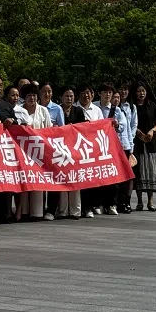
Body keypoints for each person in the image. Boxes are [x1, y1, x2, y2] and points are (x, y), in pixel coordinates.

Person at [14, 84, 52, 221]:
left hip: (39, 149)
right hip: (22, 150)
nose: (32, 98)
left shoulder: (43, 111)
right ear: (24, 97)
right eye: (29, 95)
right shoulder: (17, 110)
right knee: (24, 179)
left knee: (38, 179)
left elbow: (49, 130)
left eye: (34, 95)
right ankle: (23, 211)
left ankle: (37, 212)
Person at [133, 83, 156, 211]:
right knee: (139, 172)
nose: (141, 93)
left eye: (143, 91)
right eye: (139, 91)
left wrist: (152, 131)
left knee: (150, 172)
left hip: (151, 144)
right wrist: (138, 133)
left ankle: (150, 202)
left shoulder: (152, 105)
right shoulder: (132, 107)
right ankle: (140, 201)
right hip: (137, 143)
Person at [55, 85, 86, 220]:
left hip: (74, 149)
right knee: (61, 178)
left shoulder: (78, 111)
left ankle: (75, 210)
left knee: (75, 179)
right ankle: (62, 210)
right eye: (67, 96)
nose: (69, 98)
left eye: (72, 96)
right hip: (60, 150)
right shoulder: (57, 110)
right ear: (61, 97)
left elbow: (83, 128)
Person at [94, 82, 125, 216]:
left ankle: (111, 204)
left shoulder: (116, 110)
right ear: (99, 93)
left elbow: (124, 127)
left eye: (110, 93)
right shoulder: (94, 107)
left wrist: (117, 125)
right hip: (96, 147)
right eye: (105, 92)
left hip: (111, 148)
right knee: (98, 176)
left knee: (112, 177)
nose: (107, 95)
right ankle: (98, 203)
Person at [73, 84, 103, 218]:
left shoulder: (97, 110)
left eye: (89, 93)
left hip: (92, 150)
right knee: (81, 180)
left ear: (92, 95)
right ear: (78, 95)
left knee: (92, 180)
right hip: (77, 149)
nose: (86, 95)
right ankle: (83, 207)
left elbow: (102, 127)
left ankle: (91, 205)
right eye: (83, 93)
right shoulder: (74, 109)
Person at [112, 89, 137, 214]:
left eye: (117, 97)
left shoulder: (122, 111)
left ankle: (125, 201)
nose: (116, 99)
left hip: (124, 146)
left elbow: (127, 130)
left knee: (126, 176)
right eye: (114, 97)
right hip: (112, 148)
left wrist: (131, 148)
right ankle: (114, 202)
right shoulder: (107, 111)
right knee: (115, 177)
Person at [118, 83, 138, 212]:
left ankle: (127, 201)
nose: (123, 91)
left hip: (127, 144)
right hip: (114, 146)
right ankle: (117, 202)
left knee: (128, 174)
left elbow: (133, 126)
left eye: (126, 89)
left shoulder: (131, 106)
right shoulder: (114, 106)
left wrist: (131, 145)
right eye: (121, 89)